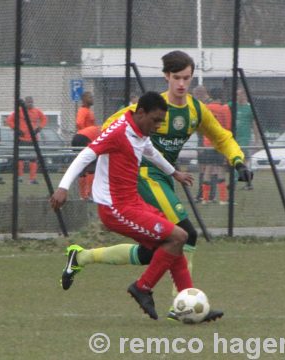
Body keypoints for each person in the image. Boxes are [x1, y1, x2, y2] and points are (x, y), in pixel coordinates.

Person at [59, 51, 252, 321]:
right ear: (167, 77)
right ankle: (180, 302)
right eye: (177, 78)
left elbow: (221, 137)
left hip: (163, 176)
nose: (182, 84)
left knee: (155, 251)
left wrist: (238, 160)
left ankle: (80, 258)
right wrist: (85, 139)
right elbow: (110, 127)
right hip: (143, 177)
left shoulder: (195, 110)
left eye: (187, 78)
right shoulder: (150, 107)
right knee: (185, 234)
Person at [52, 92, 203, 320]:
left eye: (161, 121)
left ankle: (187, 303)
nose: (158, 125)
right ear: (140, 112)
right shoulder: (119, 131)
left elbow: (151, 152)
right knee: (179, 236)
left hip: (133, 203)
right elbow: (85, 155)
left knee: (175, 241)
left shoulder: (140, 131)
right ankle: (142, 287)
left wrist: (175, 173)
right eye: (155, 120)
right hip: (116, 209)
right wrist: (63, 187)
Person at [201, 88, 232, 205]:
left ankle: (205, 198)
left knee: (208, 169)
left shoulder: (205, 108)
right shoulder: (224, 109)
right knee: (220, 169)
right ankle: (223, 199)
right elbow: (228, 126)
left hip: (208, 143)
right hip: (219, 143)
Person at [6, 96, 47, 184]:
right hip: (21, 139)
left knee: (33, 159)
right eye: (28, 102)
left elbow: (44, 119)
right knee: (20, 159)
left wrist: (39, 128)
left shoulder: (37, 111)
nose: (30, 104)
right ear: (25, 103)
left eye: (31, 102)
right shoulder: (19, 111)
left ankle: (32, 179)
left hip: (33, 139)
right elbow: (9, 120)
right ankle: (19, 177)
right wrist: (16, 129)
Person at [228, 87, 257, 190]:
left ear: (244, 95)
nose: (236, 97)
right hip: (234, 138)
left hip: (245, 138)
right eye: (236, 95)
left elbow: (254, 125)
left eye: (238, 94)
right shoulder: (232, 105)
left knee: (240, 160)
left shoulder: (249, 108)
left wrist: (257, 140)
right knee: (241, 162)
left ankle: (234, 182)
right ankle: (249, 183)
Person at [71, 125, 101, 200]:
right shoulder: (106, 130)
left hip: (76, 137)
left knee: (82, 168)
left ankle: (83, 195)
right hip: (84, 139)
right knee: (91, 167)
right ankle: (89, 194)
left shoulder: (97, 128)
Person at [193, 85, 211, 201]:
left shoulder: (207, 106)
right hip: (203, 140)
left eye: (195, 95)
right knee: (207, 169)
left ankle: (203, 195)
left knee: (206, 169)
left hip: (206, 141)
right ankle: (207, 195)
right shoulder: (201, 105)